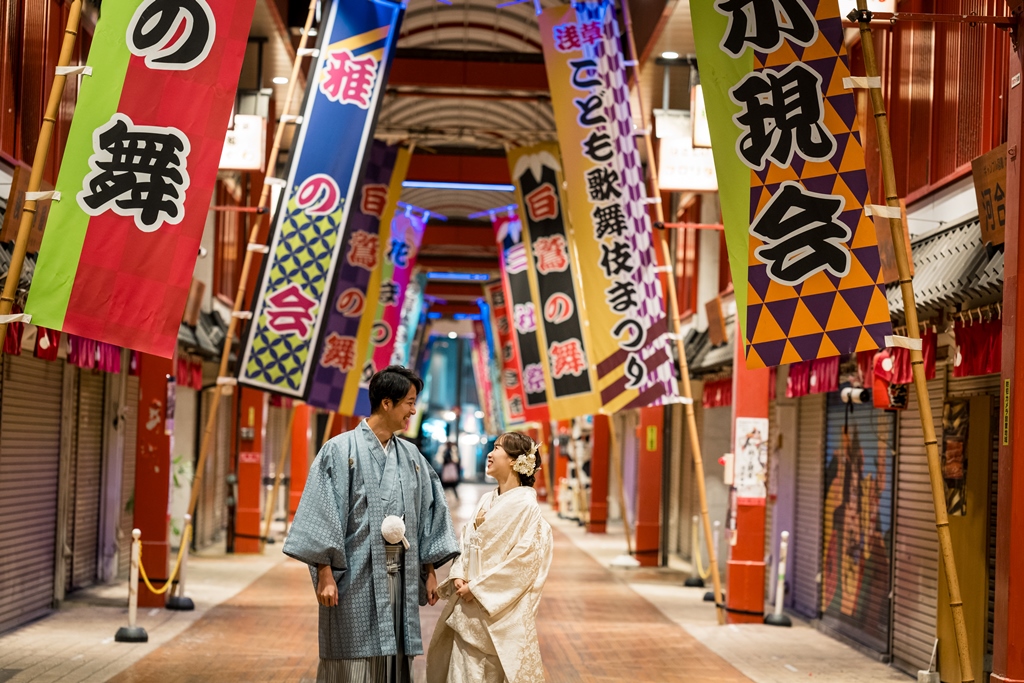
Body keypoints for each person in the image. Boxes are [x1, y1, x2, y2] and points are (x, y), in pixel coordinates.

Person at [283, 365, 460, 683]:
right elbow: (322, 513)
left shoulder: (412, 457)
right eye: (409, 401)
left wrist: (430, 572)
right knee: (351, 656)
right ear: (387, 403)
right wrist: (325, 573)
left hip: (401, 577)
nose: (413, 410)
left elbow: (430, 512)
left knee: (395, 656)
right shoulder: (339, 451)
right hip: (354, 576)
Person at [427, 432, 553, 683]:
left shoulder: (527, 509)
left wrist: (479, 588)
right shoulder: (487, 499)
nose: (490, 453)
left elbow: (523, 563)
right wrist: (460, 574)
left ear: (517, 461)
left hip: (494, 613)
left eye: (497, 448)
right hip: (467, 606)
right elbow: (467, 542)